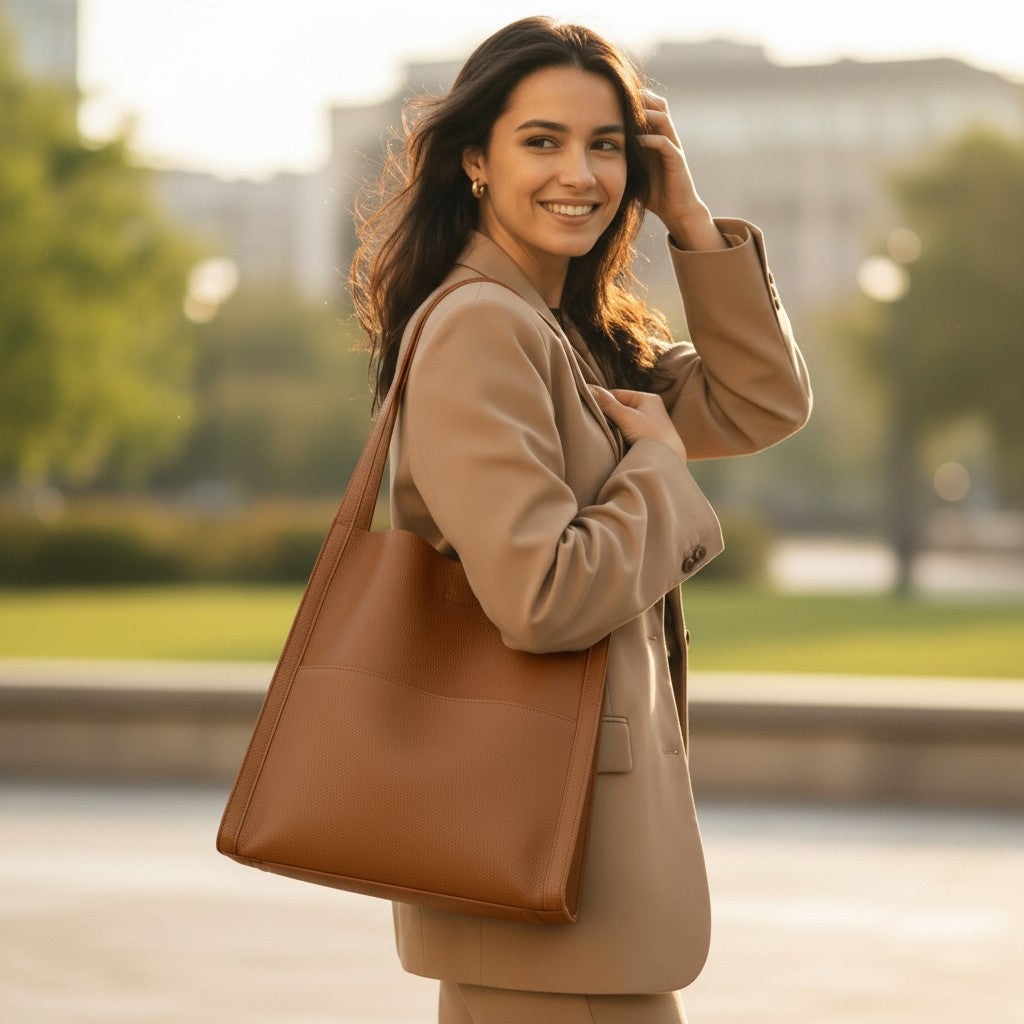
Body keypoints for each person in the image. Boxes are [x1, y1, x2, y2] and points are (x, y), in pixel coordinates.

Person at [349, 16, 811, 1024]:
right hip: (547, 882)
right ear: (475, 159)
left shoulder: (566, 334)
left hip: (567, 893)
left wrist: (688, 218)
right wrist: (655, 468)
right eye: (541, 141)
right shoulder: (483, 327)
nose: (581, 172)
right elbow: (542, 596)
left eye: (606, 145)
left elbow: (762, 401)